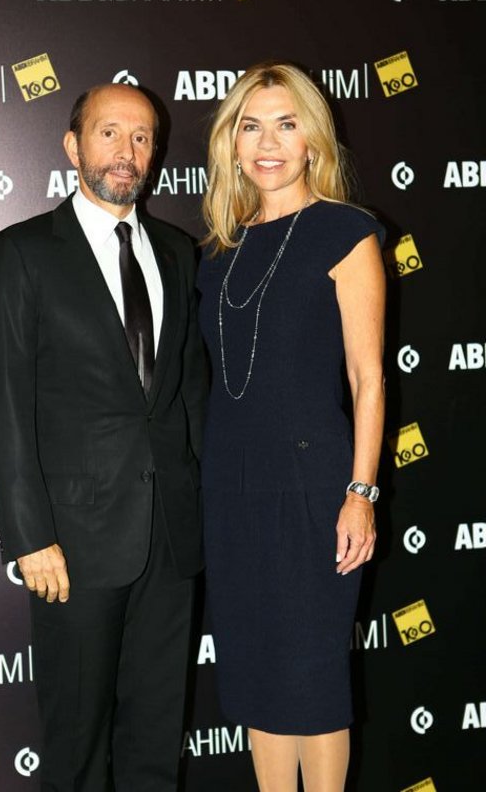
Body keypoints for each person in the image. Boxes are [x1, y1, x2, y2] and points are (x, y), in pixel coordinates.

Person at [0, 82, 208, 792]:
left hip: (170, 541)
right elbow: (2, 403)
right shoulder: (21, 252)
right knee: (76, 750)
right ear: (73, 147)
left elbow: (189, 396)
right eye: (109, 133)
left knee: (154, 744)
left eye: (141, 137)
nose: (126, 151)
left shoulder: (178, 251)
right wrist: (28, 538)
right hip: (72, 547)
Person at [197, 61, 386, 792]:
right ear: (232, 142)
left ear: (313, 139)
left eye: (286, 124)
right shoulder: (218, 250)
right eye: (251, 126)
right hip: (231, 487)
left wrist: (360, 493)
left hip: (313, 486)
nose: (268, 143)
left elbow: (368, 379)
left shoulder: (346, 231)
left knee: (310, 675)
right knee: (255, 672)